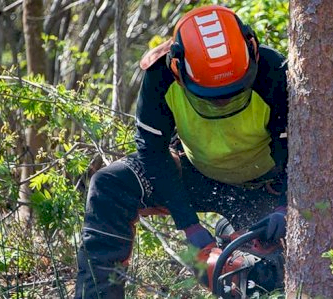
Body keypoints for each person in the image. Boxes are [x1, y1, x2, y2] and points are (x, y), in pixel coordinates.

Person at [74, 5, 288, 298]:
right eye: (213, 97)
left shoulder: (275, 72)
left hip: (264, 186)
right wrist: (188, 225)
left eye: (233, 92)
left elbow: (300, 152)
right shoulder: (161, 74)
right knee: (109, 185)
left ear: (252, 52)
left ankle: (233, 233)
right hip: (194, 174)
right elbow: (152, 151)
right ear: (178, 70)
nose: (222, 103)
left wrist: (285, 207)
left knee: (255, 277)